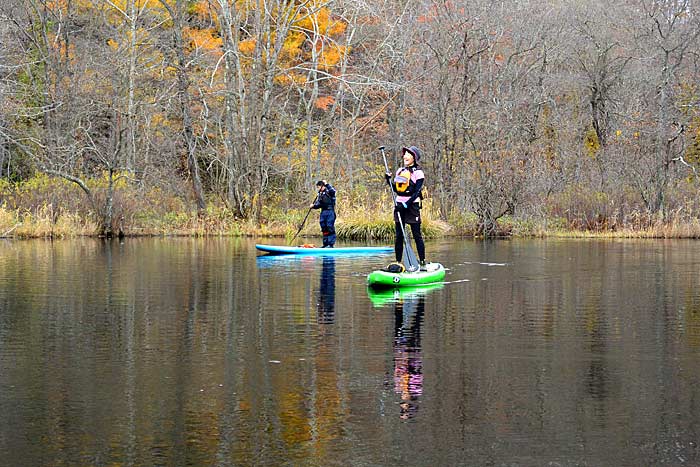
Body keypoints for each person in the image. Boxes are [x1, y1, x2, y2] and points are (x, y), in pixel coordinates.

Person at [385, 146, 426, 268]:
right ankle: (398, 262)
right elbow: (396, 189)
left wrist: (406, 204)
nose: (405, 156)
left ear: (414, 157)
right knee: (399, 236)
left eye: (408, 154)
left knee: (416, 234)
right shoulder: (400, 171)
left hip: (412, 206)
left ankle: (422, 261)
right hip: (399, 205)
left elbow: (417, 192)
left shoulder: (418, 173)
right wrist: (388, 180)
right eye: (405, 154)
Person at [310, 180, 337, 248]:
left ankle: (330, 244)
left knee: (329, 226)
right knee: (324, 227)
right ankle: (325, 244)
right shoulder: (320, 194)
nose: (318, 189)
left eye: (318, 187)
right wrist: (313, 206)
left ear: (322, 186)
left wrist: (327, 184)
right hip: (323, 212)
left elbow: (333, 191)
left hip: (330, 212)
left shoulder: (329, 191)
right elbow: (319, 204)